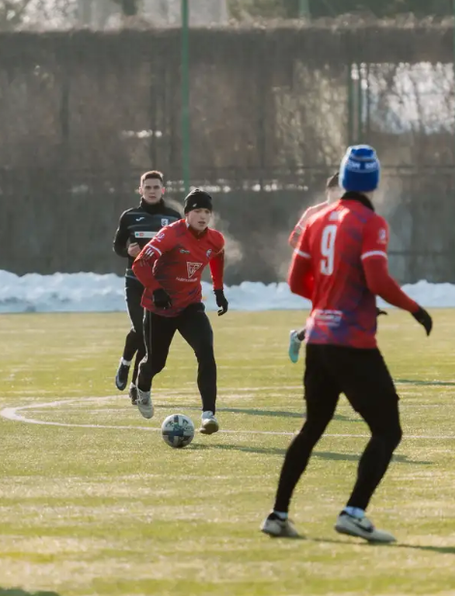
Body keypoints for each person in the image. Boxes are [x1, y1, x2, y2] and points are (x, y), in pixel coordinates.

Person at [262, 145, 433, 544]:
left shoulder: (318, 218)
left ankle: (278, 513)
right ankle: (354, 512)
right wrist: (414, 307)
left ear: (341, 177)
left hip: (319, 338)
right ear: (373, 180)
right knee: (388, 430)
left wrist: (328, 303)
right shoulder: (371, 223)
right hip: (352, 343)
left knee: (313, 426)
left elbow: (294, 280)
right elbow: (377, 281)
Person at [131, 188, 228, 434]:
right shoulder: (170, 234)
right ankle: (141, 388)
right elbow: (140, 262)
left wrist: (218, 289)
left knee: (206, 351)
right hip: (160, 307)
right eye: (197, 211)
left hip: (190, 305)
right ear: (187, 214)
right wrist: (156, 289)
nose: (203, 216)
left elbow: (217, 255)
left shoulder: (215, 238)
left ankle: (209, 415)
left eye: (207, 211)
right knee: (156, 363)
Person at [111, 171, 183, 404]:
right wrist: (127, 252)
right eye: (147, 187)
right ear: (140, 190)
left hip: (161, 285)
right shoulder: (130, 217)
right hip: (135, 281)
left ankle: (134, 385)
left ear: (163, 190)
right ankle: (125, 363)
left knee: (149, 336)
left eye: (156, 187)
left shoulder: (174, 217)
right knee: (141, 331)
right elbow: (118, 246)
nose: (152, 190)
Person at [287, 173, 342, 363]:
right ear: (329, 190)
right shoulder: (314, 212)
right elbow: (294, 238)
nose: (339, 194)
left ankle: (299, 337)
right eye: (336, 189)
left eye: (343, 190)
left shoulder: (347, 214)